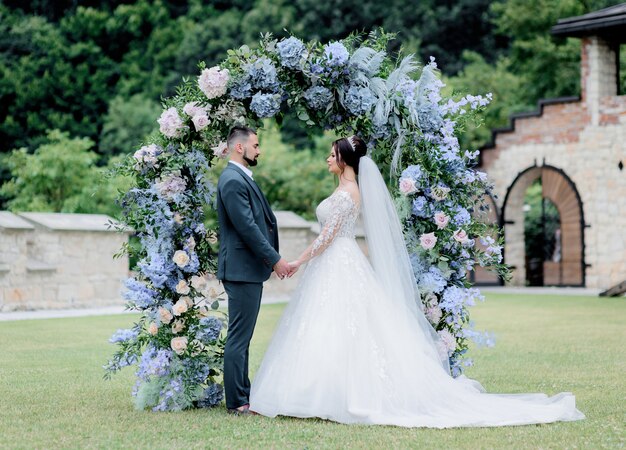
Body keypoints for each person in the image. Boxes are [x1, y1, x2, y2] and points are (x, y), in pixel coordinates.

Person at [249, 136, 584, 427]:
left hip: (339, 260)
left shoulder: (347, 194)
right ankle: (318, 390)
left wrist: (296, 261)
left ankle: (329, 394)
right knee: (330, 324)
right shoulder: (343, 191)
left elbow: (326, 237)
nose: (327, 158)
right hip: (338, 262)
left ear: (344, 160)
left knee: (343, 324)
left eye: (332, 154)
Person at [216, 126, 292, 415]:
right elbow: (247, 227)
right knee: (239, 337)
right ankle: (237, 402)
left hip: (245, 269)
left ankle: (243, 394)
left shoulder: (239, 177)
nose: (259, 150)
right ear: (239, 147)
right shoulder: (232, 180)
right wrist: (274, 259)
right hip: (241, 268)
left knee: (243, 337)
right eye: (256, 145)